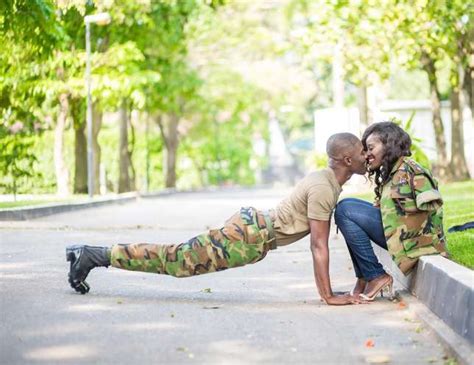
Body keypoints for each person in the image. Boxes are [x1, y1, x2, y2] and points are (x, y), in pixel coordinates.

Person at [66, 132, 368, 305]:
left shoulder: (327, 180)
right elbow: (318, 246)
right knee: (177, 260)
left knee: (178, 259)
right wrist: (328, 296)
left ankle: (92, 254)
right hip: (248, 235)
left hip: (251, 231)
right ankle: (93, 255)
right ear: (347, 160)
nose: (367, 157)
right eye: (362, 152)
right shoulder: (324, 187)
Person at [334, 122, 447, 301]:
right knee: (345, 206)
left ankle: (375, 276)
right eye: (365, 150)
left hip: (412, 243)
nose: (367, 155)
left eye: (370, 148)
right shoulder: (393, 172)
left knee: (345, 210)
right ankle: (365, 278)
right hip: (399, 236)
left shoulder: (412, 170)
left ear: (389, 145)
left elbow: (433, 211)